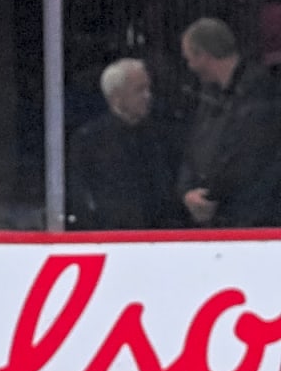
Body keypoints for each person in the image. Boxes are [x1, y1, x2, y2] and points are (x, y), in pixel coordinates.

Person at [175, 17, 281, 228]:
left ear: (203, 55)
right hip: (218, 217)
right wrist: (187, 192)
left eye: (190, 59)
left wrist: (210, 196)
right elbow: (193, 150)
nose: (189, 66)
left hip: (254, 219)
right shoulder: (207, 97)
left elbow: (248, 157)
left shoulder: (262, 93)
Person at [67, 58, 182, 230]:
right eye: (139, 90)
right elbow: (80, 197)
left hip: (159, 236)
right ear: (116, 97)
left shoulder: (161, 136)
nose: (147, 96)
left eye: (148, 88)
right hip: (111, 236)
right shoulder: (89, 140)